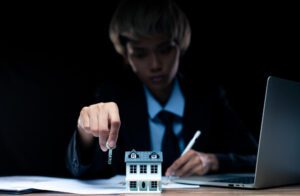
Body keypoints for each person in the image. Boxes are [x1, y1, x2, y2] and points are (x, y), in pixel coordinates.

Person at [66, 0, 257, 178]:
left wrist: (214, 161)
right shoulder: (113, 98)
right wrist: (85, 134)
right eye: (140, 54)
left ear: (180, 47)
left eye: (165, 50)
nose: (155, 65)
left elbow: (256, 159)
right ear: (126, 55)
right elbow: (85, 170)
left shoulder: (209, 97)